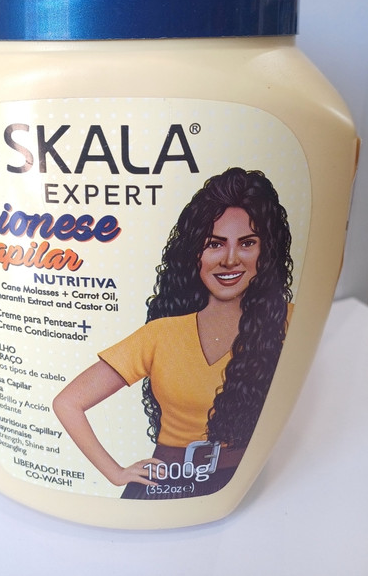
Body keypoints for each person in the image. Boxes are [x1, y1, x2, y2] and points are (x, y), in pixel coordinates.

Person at [53, 167, 293, 500]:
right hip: (164, 485)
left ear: (266, 251)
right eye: (215, 244)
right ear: (195, 253)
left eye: (247, 243)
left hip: (249, 481)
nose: (230, 259)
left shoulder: (287, 321)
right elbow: (68, 403)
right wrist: (116, 473)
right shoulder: (160, 335)